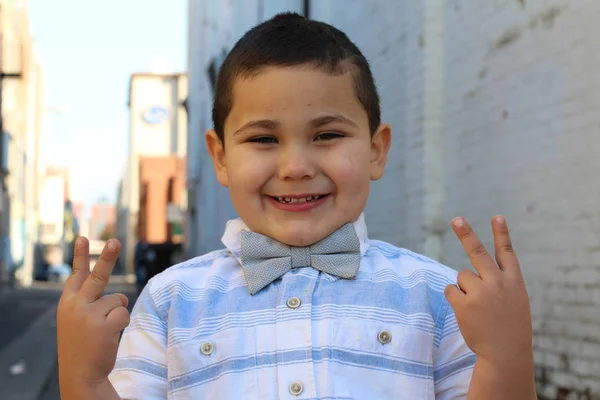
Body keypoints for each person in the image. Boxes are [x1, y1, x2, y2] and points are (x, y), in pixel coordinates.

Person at [56, 12, 536, 400]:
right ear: (220, 158)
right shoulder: (169, 301)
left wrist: (505, 357)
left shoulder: (438, 298)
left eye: (327, 135)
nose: (295, 166)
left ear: (375, 149)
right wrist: (85, 380)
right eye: (264, 138)